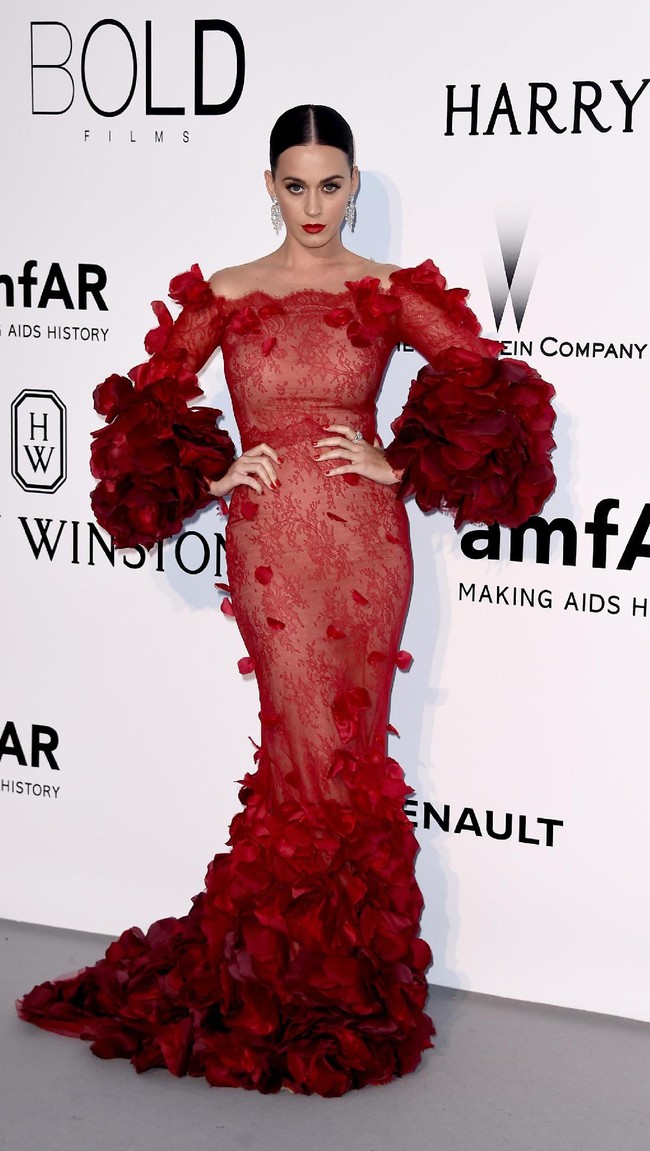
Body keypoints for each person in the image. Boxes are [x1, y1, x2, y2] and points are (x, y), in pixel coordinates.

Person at [16, 105, 556, 1097]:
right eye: (295, 184)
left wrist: (396, 457)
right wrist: (212, 472)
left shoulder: (387, 291)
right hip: (269, 544)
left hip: (362, 541)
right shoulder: (228, 291)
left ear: (354, 186)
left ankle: (344, 981)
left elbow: (486, 382)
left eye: (330, 183)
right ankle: (285, 976)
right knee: (296, 744)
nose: (313, 203)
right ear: (269, 185)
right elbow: (147, 397)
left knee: (350, 748)